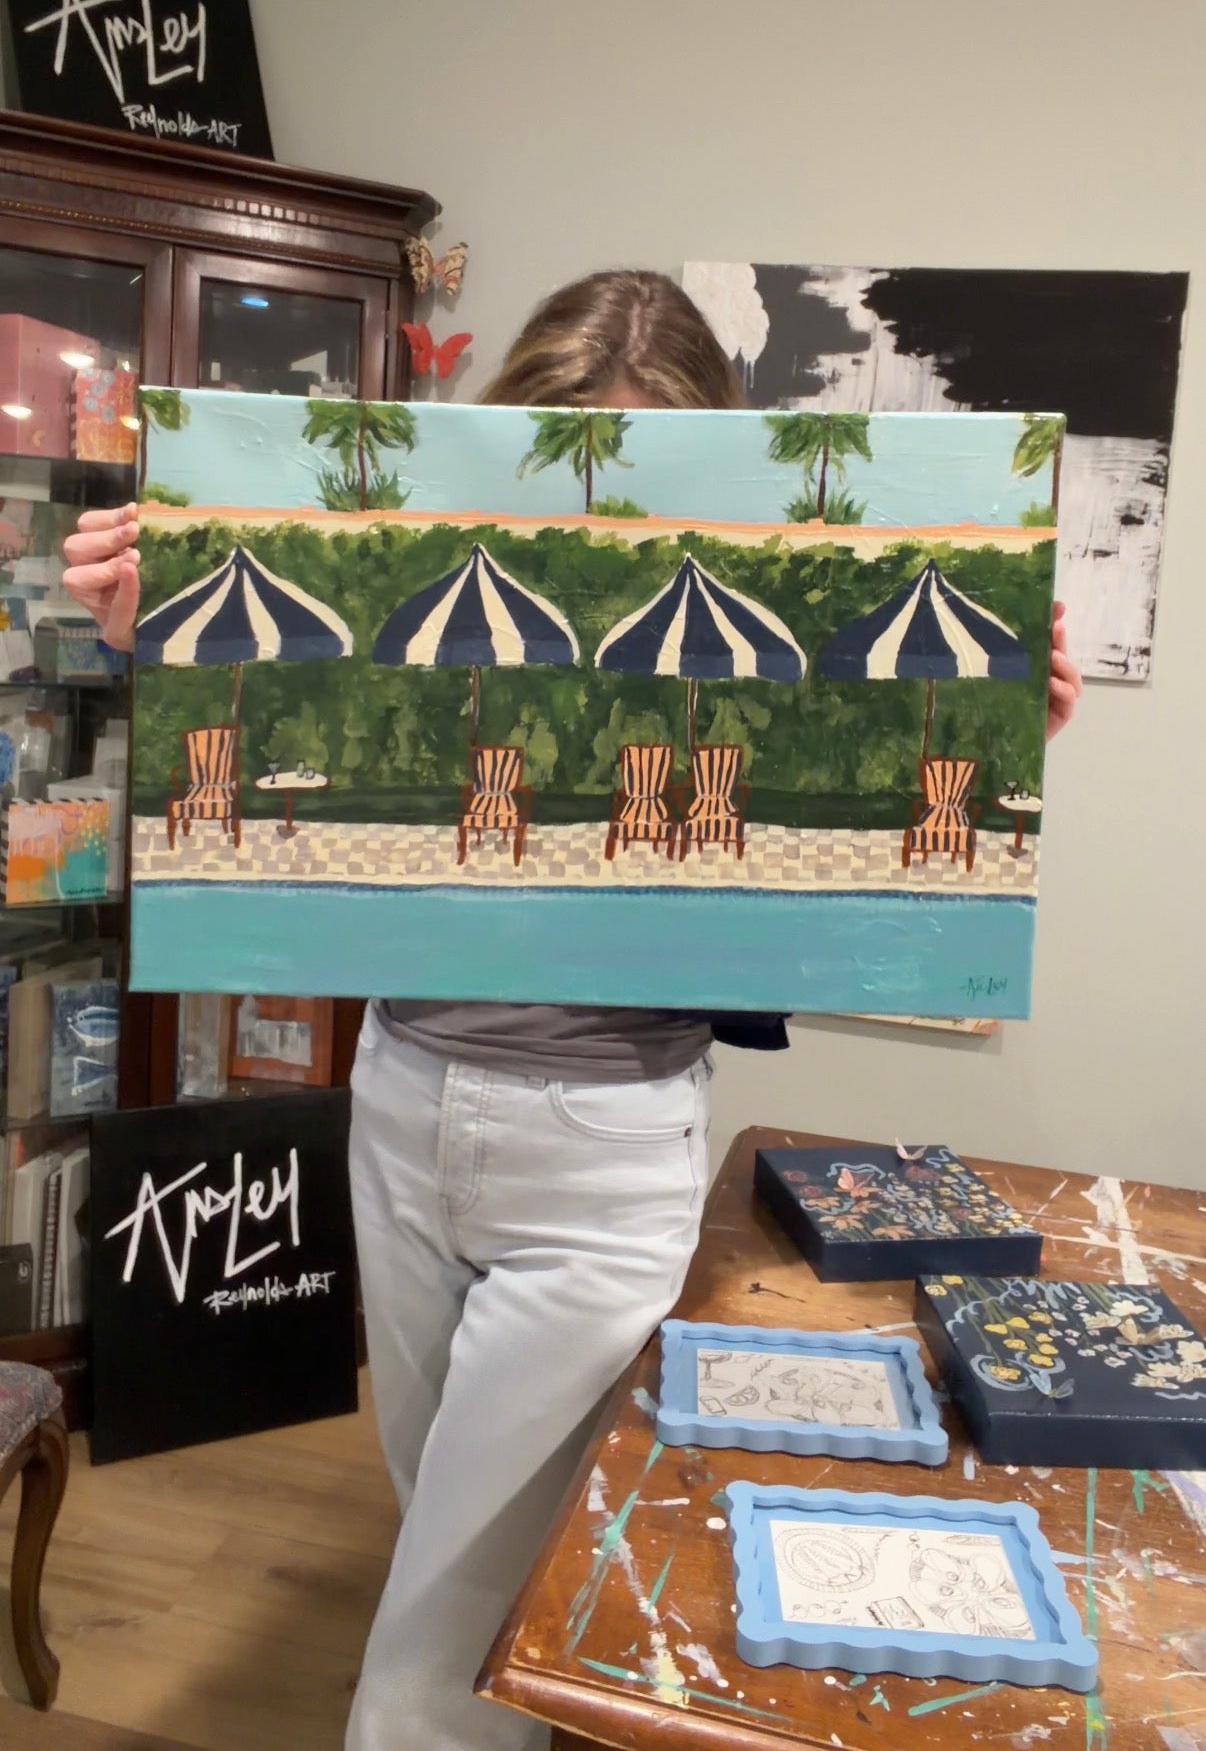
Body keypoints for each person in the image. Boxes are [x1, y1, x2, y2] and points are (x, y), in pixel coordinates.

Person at [63, 270, 1082, 1751]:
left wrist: (1001, 731)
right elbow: (296, 716)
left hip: (602, 1133)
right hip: (401, 1091)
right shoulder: (448, 614)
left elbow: (843, 830)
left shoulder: (728, 641)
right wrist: (137, 632)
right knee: (448, 1526)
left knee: (449, 1607)